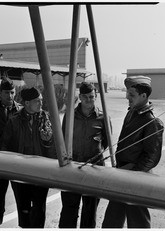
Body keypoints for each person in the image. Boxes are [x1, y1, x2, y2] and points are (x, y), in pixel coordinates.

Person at [102, 76, 164, 228]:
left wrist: (132, 175)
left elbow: (152, 158)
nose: (126, 97)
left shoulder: (153, 122)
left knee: (138, 221)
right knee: (112, 219)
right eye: (127, 93)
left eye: (131, 94)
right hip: (122, 174)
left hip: (136, 178)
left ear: (144, 96)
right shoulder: (131, 113)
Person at [0, 87, 54, 228]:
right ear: (27, 103)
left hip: (41, 172)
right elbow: (5, 147)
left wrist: (48, 140)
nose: (41, 104)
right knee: (23, 208)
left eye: (41, 100)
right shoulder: (14, 121)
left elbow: (53, 147)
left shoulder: (45, 118)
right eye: (37, 101)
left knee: (39, 208)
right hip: (21, 172)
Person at [58, 82, 109, 228]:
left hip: (94, 170)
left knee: (90, 210)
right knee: (69, 209)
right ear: (80, 97)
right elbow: (63, 138)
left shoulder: (103, 117)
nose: (89, 100)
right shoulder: (70, 116)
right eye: (85, 97)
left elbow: (106, 142)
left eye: (91, 97)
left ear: (96, 96)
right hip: (72, 168)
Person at [0, 80, 22, 228]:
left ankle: (25, 225)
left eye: (12, 92)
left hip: (17, 160)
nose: (10, 96)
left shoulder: (22, 111)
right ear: (0, 93)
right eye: (7, 93)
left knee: (21, 196)